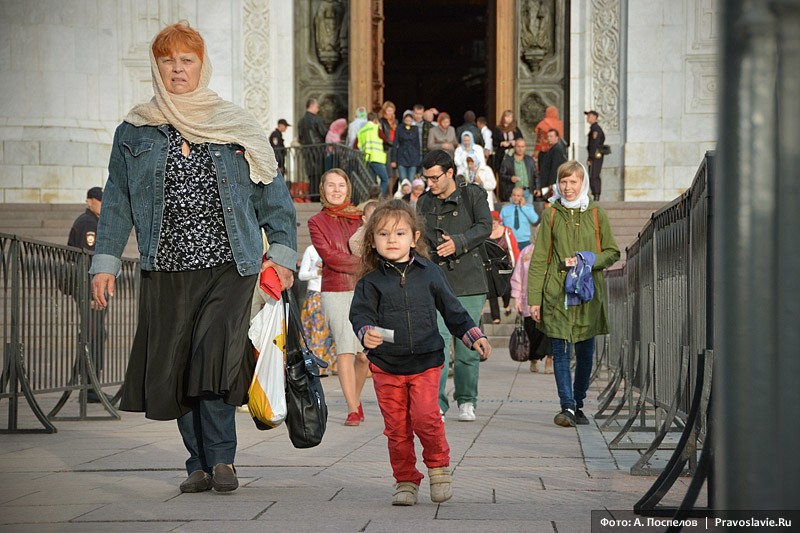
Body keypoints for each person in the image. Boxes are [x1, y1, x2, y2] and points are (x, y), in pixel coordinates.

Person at [89, 22, 297, 493]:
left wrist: (282, 254)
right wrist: (104, 264)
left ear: (202, 66)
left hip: (230, 265)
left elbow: (273, 196)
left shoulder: (234, 125)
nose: (177, 69)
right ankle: (197, 464)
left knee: (214, 361)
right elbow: (117, 202)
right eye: (168, 60)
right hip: (166, 267)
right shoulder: (135, 129)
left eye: (187, 60)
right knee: (177, 366)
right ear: (156, 66)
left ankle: (222, 460)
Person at [349, 200, 491, 506]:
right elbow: (359, 316)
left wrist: (473, 335)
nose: (392, 240)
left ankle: (438, 467)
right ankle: (405, 480)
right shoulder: (370, 282)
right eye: (383, 234)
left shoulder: (430, 273)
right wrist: (366, 332)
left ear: (415, 238)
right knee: (397, 429)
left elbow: (453, 310)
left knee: (427, 417)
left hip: (426, 361)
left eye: (400, 233)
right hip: (386, 366)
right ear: (372, 241)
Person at [528, 161, 619, 427]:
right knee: (560, 350)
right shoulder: (552, 214)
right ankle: (566, 406)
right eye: (563, 182)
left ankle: (578, 403)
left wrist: (589, 260)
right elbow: (540, 258)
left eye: (573, 182)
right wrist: (534, 299)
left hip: (587, 294)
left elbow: (613, 252)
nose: (568, 188)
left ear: (583, 183)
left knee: (585, 353)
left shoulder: (595, 213)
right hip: (557, 293)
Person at [416, 149, 492, 422]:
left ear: (450, 173)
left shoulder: (472, 194)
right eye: (427, 179)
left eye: (435, 178)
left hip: (469, 280)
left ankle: (467, 399)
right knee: (437, 343)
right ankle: (436, 403)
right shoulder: (424, 202)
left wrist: (458, 242)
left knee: (467, 344)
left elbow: (485, 226)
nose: (431, 184)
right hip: (434, 281)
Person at [308, 168, 369, 426]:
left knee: (365, 354)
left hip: (365, 289)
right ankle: (352, 407)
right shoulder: (316, 222)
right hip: (335, 289)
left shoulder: (361, 218)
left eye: (341, 185)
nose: (336, 190)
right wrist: (364, 263)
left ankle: (355, 397)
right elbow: (330, 256)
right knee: (344, 348)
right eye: (330, 185)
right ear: (323, 190)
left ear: (348, 188)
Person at [68, 186, 108, 403]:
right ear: (89, 201)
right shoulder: (88, 224)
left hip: (90, 289)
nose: (103, 204)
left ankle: (89, 383)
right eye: (99, 200)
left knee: (96, 334)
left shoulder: (94, 222)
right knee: (93, 335)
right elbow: (87, 260)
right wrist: (93, 294)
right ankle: (89, 387)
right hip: (89, 289)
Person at [511, 243, 552, 373]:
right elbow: (518, 275)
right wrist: (516, 298)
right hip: (528, 299)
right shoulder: (526, 252)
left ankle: (549, 361)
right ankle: (533, 359)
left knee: (550, 332)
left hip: (550, 298)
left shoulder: (554, 248)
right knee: (532, 333)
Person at [298, 244, 336, 376]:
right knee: (315, 330)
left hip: (331, 293)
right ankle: (316, 366)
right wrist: (316, 273)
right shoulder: (311, 250)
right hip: (315, 294)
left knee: (330, 331)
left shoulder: (334, 248)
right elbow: (301, 275)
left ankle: (331, 365)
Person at [487, 211, 518, 324]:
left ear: (498, 221)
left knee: (507, 288)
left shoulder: (506, 231)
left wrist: (515, 263)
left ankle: (506, 304)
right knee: (492, 291)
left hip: (505, 265)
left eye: (494, 222)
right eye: (491, 223)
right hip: (490, 267)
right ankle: (495, 316)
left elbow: (513, 248)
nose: (493, 225)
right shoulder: (484, 233)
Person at [298, 97, 327, 199]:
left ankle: (312, 195)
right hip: (318, 151)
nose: (318, 109)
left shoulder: (301, 122)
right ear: (312, 106)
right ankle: (319, 196)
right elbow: (324, 133)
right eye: (317, 107)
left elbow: (300, 138)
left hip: (307, 152)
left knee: (311, 175)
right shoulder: (316, 119)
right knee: (320, 174)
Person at [357, 112, 390, 197]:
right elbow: (384, 139)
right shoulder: (376, 128)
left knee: (371, 182)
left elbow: (356, 145)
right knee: (385, 180)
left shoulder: (361, 131)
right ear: (375, 120)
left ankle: (371, 199)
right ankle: (379, 198)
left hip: (366, 159)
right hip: (376, 157)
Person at [499, 138, 539, 206]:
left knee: (528, 212)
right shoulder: (507, 160)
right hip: (514, 192)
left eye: (522, 146)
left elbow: (536, 175)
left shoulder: (530, 160)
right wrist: (510, 178)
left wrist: (537, 188)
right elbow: (501, 175)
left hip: (527, 191)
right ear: (515, 147)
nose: (520, 149)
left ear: (525, 147)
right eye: (518, 146)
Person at [538, 129, 568, 201]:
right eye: (548, 136)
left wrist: (551, 183)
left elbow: (555, 167)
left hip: (552, 183)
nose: (549, 138)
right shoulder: (551, 149)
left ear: (557, 137)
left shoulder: (557, 149)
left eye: (551, 136)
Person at [491, 109, 523, 178]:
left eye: (510, 117)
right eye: (507, 117)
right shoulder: (497, 129)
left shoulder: (515, 129)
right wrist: (501, 143)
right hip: (501, 155)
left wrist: (515, 142)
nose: (509, 119)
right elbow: (494, 142)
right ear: (503, 117)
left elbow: (521, 139)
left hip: (513, 154)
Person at [395, 109, 422, 182]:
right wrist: (393, 159)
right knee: (403, 180)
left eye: (410, 120)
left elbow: (417, 145)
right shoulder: (400, 128)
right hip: (402, 156)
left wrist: (418, 160)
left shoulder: (415, 128)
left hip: (413, 157)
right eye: (406, 120)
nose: (408, 121)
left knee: (411, 180)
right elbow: (395, 143)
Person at [585, 110, 606, 201]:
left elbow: (594, 144)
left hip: (595, 156)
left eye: (589, 116)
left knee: (594, 175)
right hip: (595, 155)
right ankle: (595, 194)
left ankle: (596, 195)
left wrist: (590, 157)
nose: (587, 118)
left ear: (594, 117)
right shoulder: (594, 128)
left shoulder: (595, 129)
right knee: (593, 175)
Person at [379, 101, 399, 193]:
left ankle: (391, 192)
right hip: (387, 149)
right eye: (388, 110)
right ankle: (389, 194)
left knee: (396, 174)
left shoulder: (396, 121)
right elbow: (382, 135)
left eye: (392, 111)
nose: (390, 113)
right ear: (384, 111)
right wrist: (391, 143)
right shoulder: (381, 121)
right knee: (389, 174)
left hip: (396, 148)